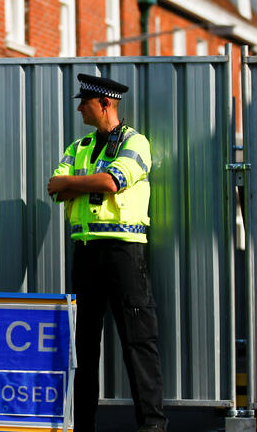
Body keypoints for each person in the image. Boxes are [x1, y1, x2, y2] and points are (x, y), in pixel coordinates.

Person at [46, 74, 166, 432]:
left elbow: (113, 182)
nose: (80, 108)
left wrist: (74, 184)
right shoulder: (79, 145)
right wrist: (79, 184)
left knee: (138, 340)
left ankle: (153, 426)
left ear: (105, 103)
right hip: (85, 252)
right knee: (83, 344)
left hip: (123, 253)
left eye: (85, 102)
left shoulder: (136, 142)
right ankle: (83, 425)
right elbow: (54, 187)